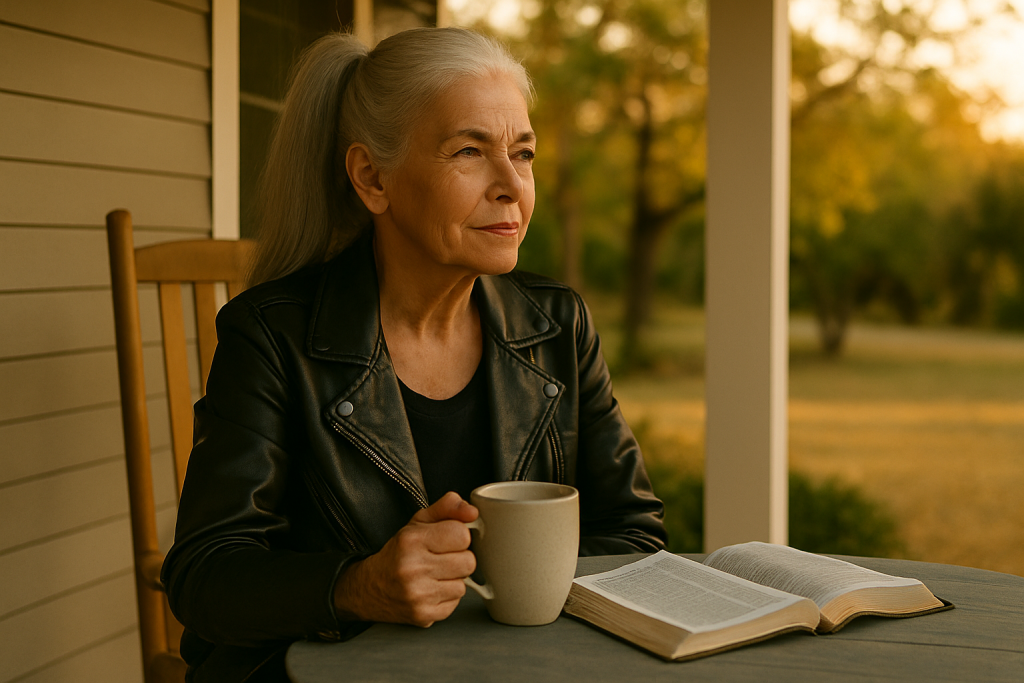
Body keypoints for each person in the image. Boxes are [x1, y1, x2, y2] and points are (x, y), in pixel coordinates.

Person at [162, 26, 666, 682]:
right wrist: (354, 585)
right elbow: (206, 576)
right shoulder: (271, 335)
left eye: (523, 152)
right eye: (469, 151)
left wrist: (496, 580)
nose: (512, 184)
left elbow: (635, 534)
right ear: (372, 178)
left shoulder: (557, 326)